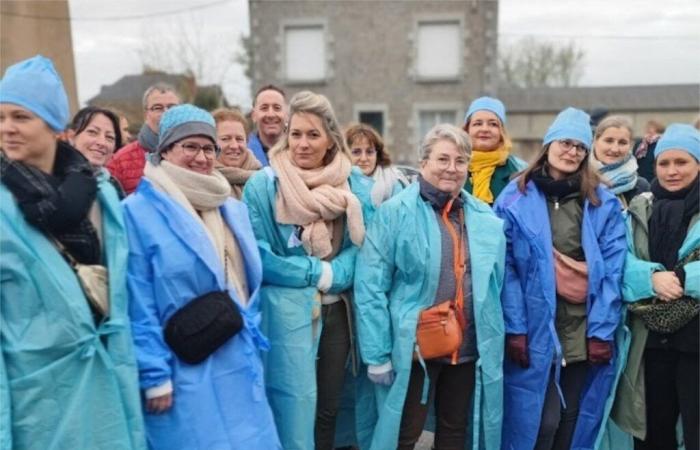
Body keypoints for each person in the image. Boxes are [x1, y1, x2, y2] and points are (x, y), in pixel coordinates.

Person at [0, 55, 146, 449]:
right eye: (1, 117)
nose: (7, 129)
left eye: (21, 117)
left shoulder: (102, 197)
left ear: (54, 127)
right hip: (39, 406)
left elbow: (126, 300)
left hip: (110, 392)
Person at [123, 104, 281, 449]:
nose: (202, 157)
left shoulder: (230, 207)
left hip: (237, 357)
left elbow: (246, 281)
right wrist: (154, 374)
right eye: (190, 146)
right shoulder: (137, 213)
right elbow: (137, 299)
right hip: (182, 367)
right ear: (165, 150)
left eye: (209, 147)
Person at [353, 123, 505, 450]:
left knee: (454, 432)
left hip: (465, 348)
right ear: (424, 163)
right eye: (443, 159)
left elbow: (495, 285)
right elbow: (371, 285)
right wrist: (377, 353)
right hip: (413, 348)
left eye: (460, 160)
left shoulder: (482, 217)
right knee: (404, 433)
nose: (452, 168)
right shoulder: (395, 213)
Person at [494, 107, 627, 450]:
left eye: (580, 147)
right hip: (536, 323)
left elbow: (612, 270)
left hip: (582, 324)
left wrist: (601, 331)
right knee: (539, 420)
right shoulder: (514, 198)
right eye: (566, 143)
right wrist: (516, 327)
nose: (572, 152)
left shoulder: (602, 202)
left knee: (572, 416)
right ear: (549, 143)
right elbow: (505, 267)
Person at [243, 91, 369, 450]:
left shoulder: (353, 184)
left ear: (331, 138)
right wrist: (317, 273)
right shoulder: (264, 185)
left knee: (328, 405)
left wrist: (336, 276)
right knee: (290, 403)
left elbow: (365, 251)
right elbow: (259, 254)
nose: (302, 143)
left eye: (313, 135)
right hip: (284, 316)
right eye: (295, 133)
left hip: (336, 314)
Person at [612, 124, 699, 450]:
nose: (672, 171)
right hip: (650, 344)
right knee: (652, 437)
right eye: (664, 163)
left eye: (682, 162)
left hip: (695, 345)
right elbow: (620, 261)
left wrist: (682, 279)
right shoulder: (640, 209)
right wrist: (648, 278)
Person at [106, 83, 180, 194]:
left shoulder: (198, 155)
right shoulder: (120, 161)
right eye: (158, 108)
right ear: (146, 115)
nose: (166, 113)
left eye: (172, 107)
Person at [462, 96, 526, 205]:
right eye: (478, 123)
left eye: (493, 124)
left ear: (502, 132)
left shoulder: (520, 170)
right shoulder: (453, 166)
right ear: (467, 130)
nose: (485, 129)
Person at [345, 122, 408, 223]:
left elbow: (402, 221)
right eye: (356, 152)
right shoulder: (339, 181)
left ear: (377, 155)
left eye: (369, 152)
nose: (364, 158)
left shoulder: (393, 181)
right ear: (346, 154)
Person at [589, 115, 650, 208]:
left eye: (622, 142)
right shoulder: (579, 182)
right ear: (596, 140)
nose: (615, 149)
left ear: (631, 145)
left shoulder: (641, 187)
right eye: (609, 141)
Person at [67, 106, 126, 198]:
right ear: (71, 137)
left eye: (109, 137)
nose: (102, 142)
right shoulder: (56, 182)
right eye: (93, 132)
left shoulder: (112, 184)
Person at [213, 107, 262, 199]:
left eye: (239, 139)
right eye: (225, 139)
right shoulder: (203, 181)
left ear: (247, 142)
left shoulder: (265, 181)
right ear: (211, 143)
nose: (234, 146)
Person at [248, 84, 288, 166]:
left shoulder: (299, 151)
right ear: (253, 115)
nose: (271, 115)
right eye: (264, 108)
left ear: (287, 115)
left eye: (277, 108)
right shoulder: (242, 152)